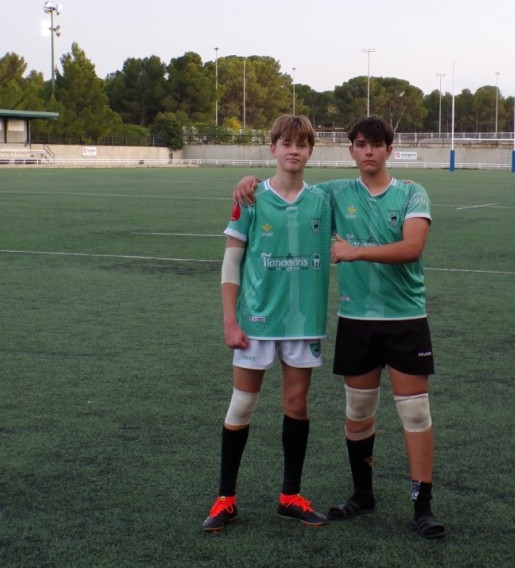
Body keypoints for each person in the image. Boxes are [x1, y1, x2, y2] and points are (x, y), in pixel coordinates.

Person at [233, 117, 446, 539]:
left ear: (390, 149)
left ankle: (422, 506)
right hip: (356, 322)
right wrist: (250, 181)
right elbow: (291, 184)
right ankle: (362, 494)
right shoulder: (333, 194)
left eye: (376, 145)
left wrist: (354, 252)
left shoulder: (411, 192)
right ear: (351, 151)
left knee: (415, 412)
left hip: (405, 320)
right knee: (358, 413)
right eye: (361, 145)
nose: (368, 151)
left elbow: (412, 247)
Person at [202, 114, 332, 533]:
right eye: (285, 143)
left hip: (303, 322)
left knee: (296, 406)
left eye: (302, 144)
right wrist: (229, 320)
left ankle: (290, 496)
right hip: (255, 320)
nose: (294, 150)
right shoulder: (252, 197)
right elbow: (231, 262)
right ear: (272, 148)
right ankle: (225, 499)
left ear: (311, 151)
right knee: (242, 404)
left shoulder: (323, 200)